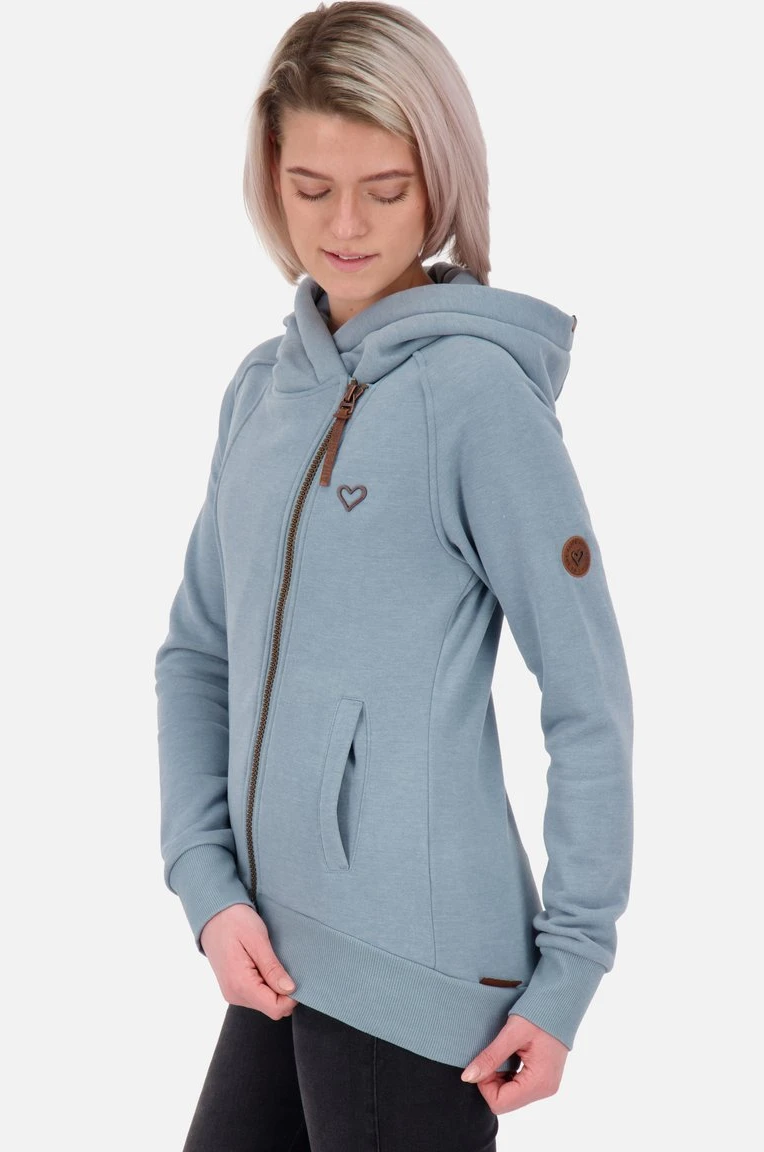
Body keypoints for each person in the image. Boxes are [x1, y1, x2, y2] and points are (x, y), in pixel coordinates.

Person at [154, 2, 634, 1149]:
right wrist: (205, 884)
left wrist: (568, 971)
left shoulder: (478, 399)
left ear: (438, 184)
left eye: (385, 188)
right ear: (270, 180)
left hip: (417, 986)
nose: (346, 225)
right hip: (273, 953)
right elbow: (196, 655)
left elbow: (586, 697)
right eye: (311, 186)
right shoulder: (261, 392)